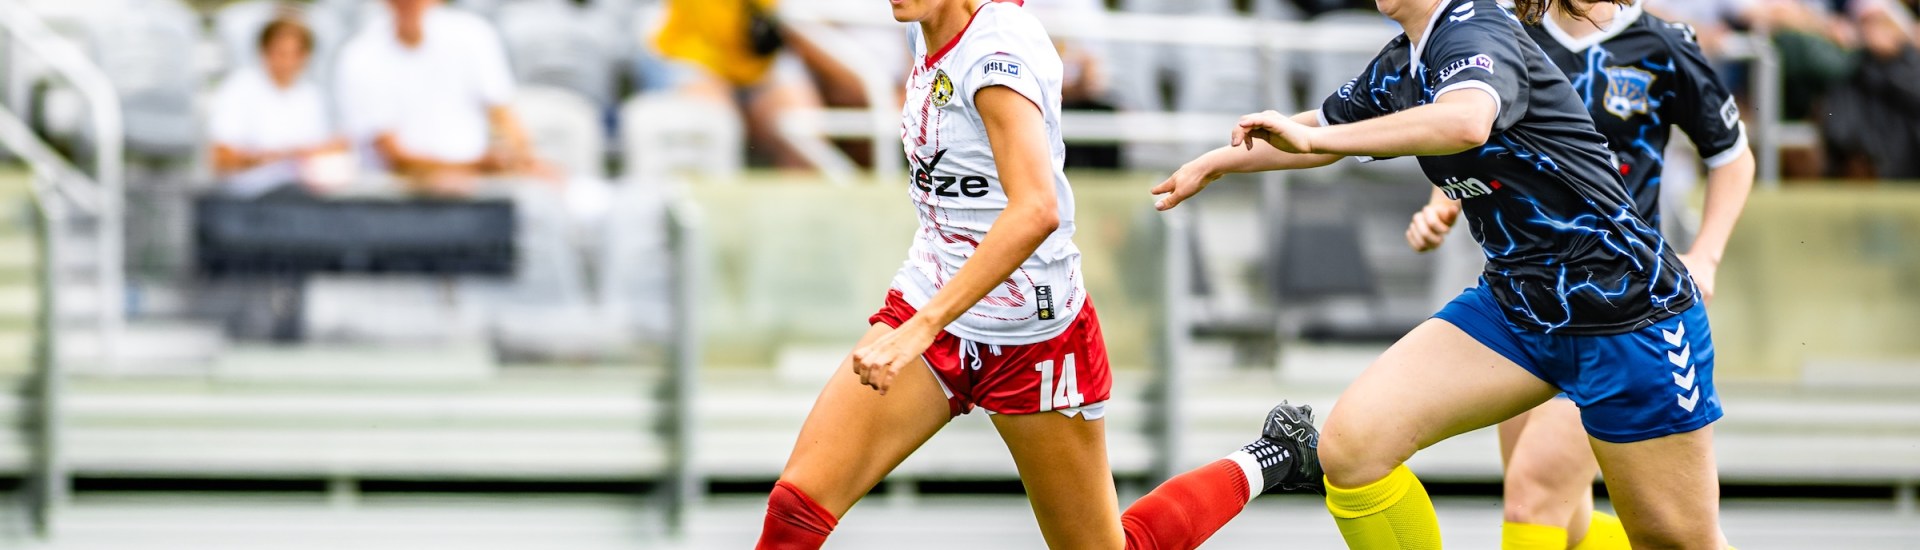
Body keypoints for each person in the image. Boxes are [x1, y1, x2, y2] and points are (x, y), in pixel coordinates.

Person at [1153, 0, 1732, 546]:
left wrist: (1317, 136)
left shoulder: (1473, 26)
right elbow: (1315, 131)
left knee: (1673, 540)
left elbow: (1466, 121)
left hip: (1629, 313)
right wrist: (1217, 162)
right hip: (1517, 308)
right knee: (1353, 448)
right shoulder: (1405, 58)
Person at [755, 1, 1325, 549]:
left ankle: (1274, 454)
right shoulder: (927, 23)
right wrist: (925, 320)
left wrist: (921, 327)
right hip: (935, 305)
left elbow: (1036, 209)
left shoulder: (995, 55)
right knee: (794, 513)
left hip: (1032, 335)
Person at [1395, 0, 1758, 547]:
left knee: (1534, 492)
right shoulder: (1504, 32)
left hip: (1614, 307)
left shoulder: (1662, 44)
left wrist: (1706, 254)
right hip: (1522, 303)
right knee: (1564, 514)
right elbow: (1473, 131)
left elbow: (1732, 155)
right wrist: (1443, 202)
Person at [334, 0, 550, 196]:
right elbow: (394, 157)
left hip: (477, 191)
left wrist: (522, 160)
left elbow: (504, 115)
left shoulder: (473, 34)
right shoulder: (360, 55)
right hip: (395, 197)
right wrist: (478, 167)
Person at [209, 17, 349, 198]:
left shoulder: (311, 95)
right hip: (251, 199)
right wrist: (280, 157)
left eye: (295, 54)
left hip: (301, 198)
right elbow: (222, 158)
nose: (288, 62)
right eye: (281, 53)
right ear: (264, 52)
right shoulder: (239, 89)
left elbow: (326, 149)